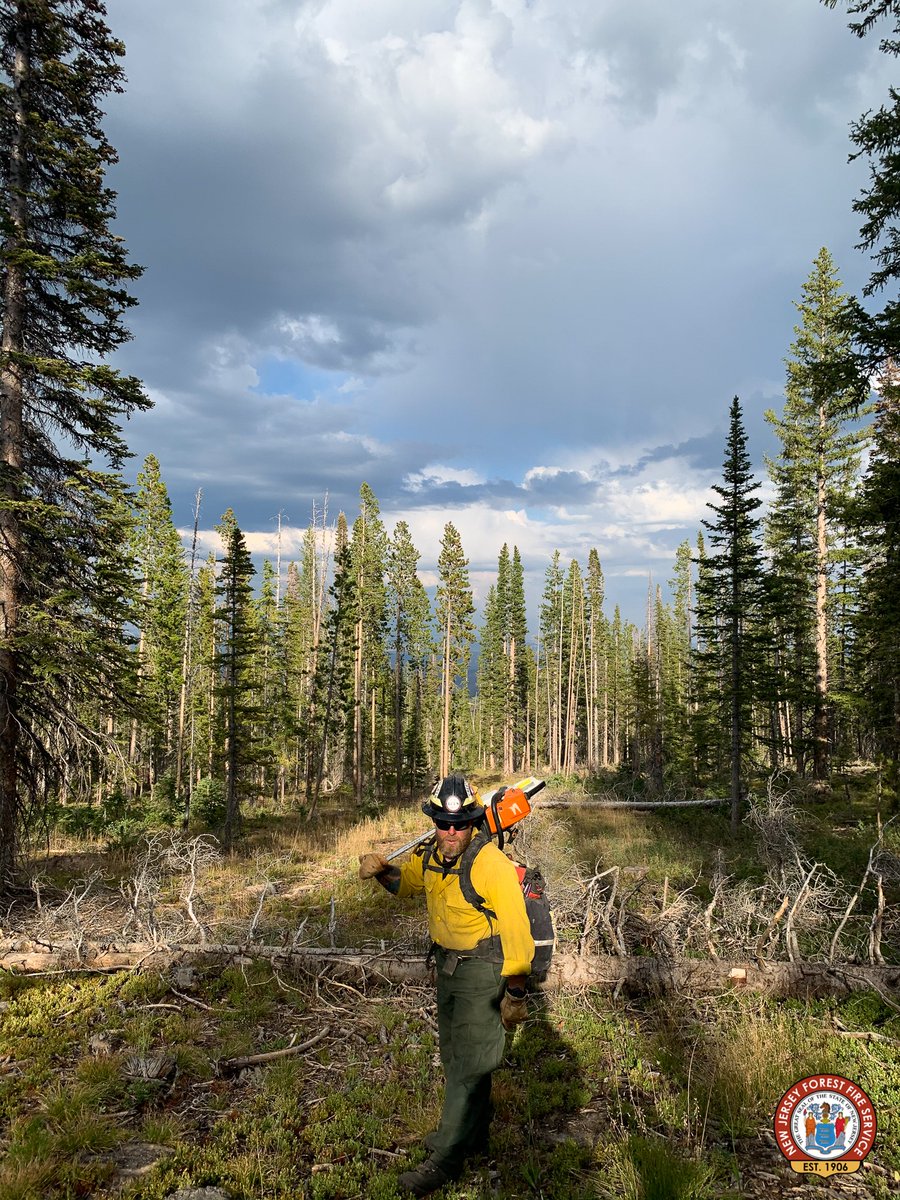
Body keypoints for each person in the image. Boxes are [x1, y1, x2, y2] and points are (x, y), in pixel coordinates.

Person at [359, 773, 535, 1197]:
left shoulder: (490, 864)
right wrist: (383, 872)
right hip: (448, 967)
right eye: (443, 823)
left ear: (474, 821)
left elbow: (517, 929)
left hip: (483, 969)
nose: (451, 832)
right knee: (459, 1057)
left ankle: (445, 1157)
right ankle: (474, 1135)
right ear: (435, 821)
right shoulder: (431, 855)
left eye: (459, 824)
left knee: (468, 1065)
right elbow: (408, 885)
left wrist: (514, 993)